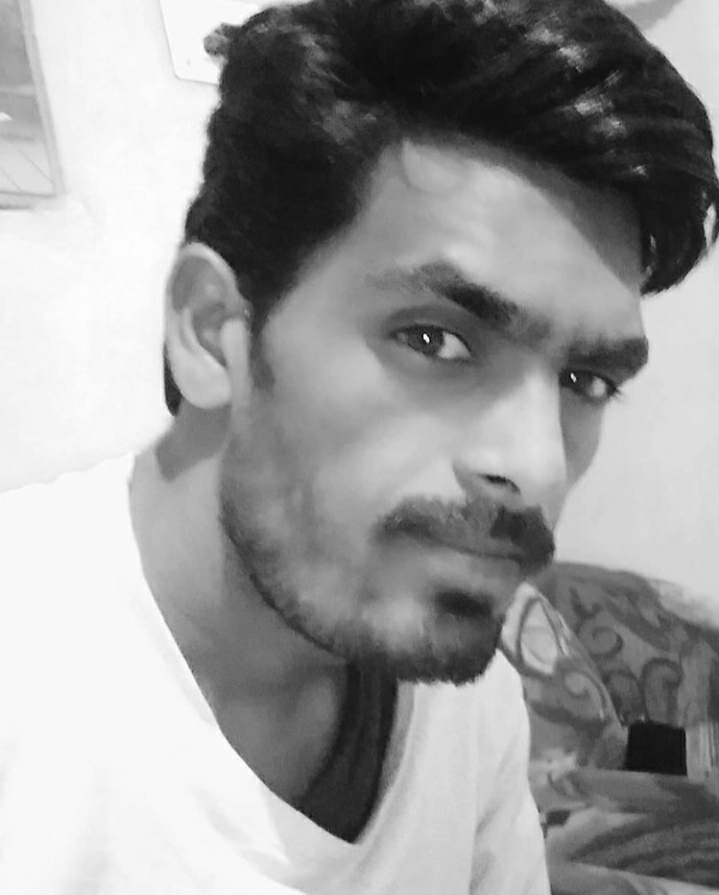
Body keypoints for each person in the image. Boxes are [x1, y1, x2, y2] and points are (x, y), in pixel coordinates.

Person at [1, 0, 717, 892]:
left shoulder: (470, 705)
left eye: (585, 380)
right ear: (211, 329)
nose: (536, 465)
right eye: (434, 340)